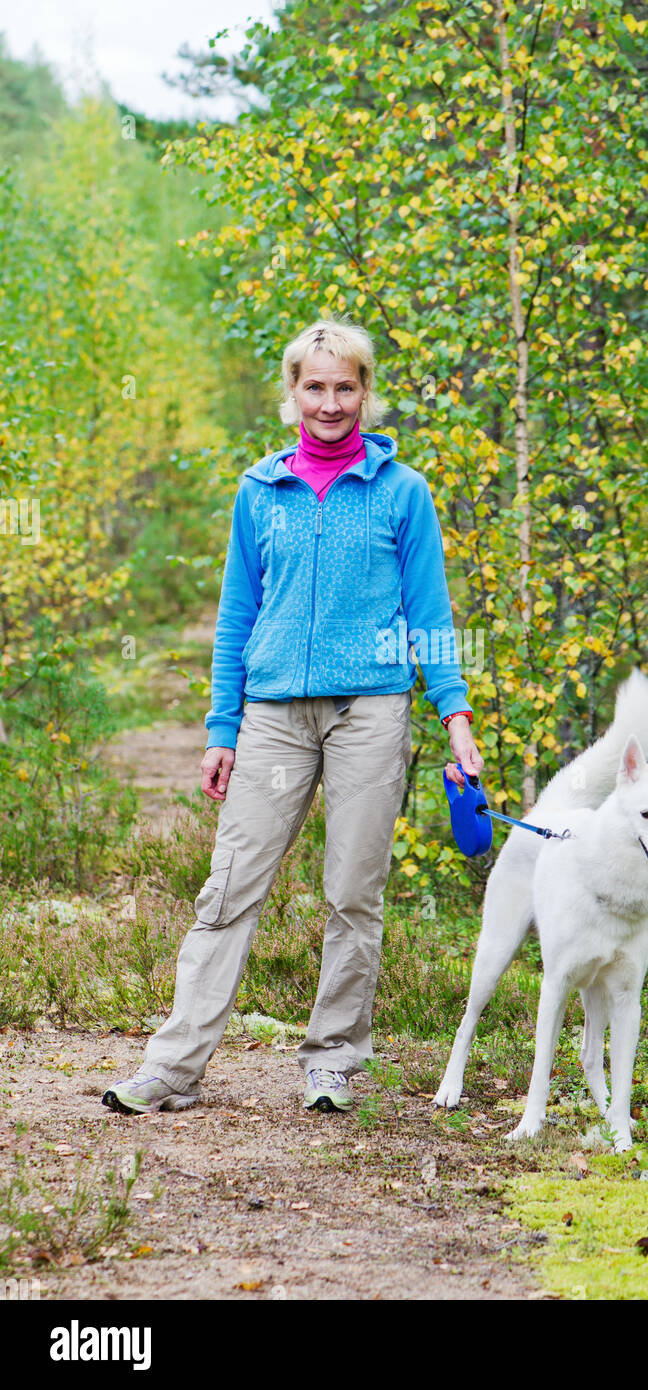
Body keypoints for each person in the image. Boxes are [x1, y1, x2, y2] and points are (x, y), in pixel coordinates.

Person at [103, 316, 483, 1117]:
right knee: (230, 886)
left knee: (352, 891)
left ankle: (333, 1062)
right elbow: (237, 612)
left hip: (370, 712)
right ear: (293, 394)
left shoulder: (401, 492)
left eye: (346, 386)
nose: (331, 401)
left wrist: (456, 718)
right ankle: (171, 1069)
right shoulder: (259, 489)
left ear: (365, 394)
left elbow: (431, 614)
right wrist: (220, 728)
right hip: (273, 716)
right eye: (316, 386)